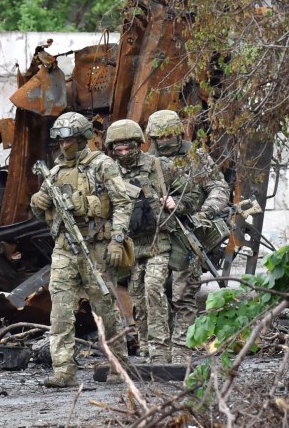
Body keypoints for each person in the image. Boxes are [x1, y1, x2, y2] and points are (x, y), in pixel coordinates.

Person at [29, 112, 132, 388]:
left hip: (95, 246)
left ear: (83, 138)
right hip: (64, 248)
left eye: (70, 139)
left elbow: (122, 203)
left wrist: (117, 240)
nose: (64, 145)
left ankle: (119, 363)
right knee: (60, 310)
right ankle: (64, 371)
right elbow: (46, 215)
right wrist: (38, 203)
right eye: (60, 140)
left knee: (104, 308)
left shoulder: (102, 166)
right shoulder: (53, 173)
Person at [104, 119, 201, 364]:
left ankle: (160, 349)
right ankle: (146, 345)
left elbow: (192, 193)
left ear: (139, 144)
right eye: (119, 150)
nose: (124, 154)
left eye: (129, 148)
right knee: (137, 296)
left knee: (153, 287)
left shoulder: (159, 166)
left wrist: (174, 202)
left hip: (160, 241)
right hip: (132, 246)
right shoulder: (110, 173)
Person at [146, 109, 230, 363]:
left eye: (170, 135)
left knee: (183, 293)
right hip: (157, 235)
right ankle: (156, 351)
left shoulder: (194, 157)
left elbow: (218, 187)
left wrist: (207, 212)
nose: (166, 141)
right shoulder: (146, 161)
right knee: (152, 291)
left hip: (190, 231)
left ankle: (183, 350)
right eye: (160, 137)